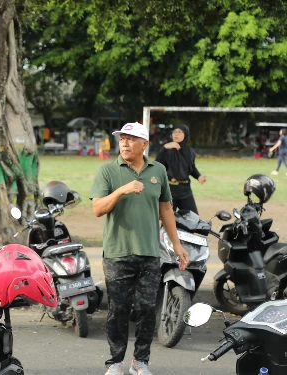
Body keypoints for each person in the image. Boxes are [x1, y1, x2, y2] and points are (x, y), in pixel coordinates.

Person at [90, 122, 189, 375]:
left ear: (144, 144)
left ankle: (140, 362)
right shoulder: (107, 171)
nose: (124, 143)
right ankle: (115, 362)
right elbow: (98, 209)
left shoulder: (159, 170)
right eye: (122, 139)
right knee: (118, 310)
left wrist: (177, 246)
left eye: (130, 139)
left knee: (146, 310)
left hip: (149, 253)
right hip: (117, 253)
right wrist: (122, 190)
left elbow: (165, 208)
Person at [155, 124, 206, 214]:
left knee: (193, 218)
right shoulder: (166, 150)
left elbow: (191, 168)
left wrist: (199, 177)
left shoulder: (189, 152)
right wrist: (164, 148)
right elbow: (158, 165)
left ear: (185, 134)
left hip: (185, 191)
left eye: (179, 132)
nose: (176, 134)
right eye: (174, 132)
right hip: (170, 191)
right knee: (167, 221)